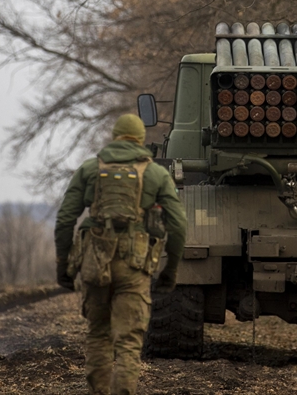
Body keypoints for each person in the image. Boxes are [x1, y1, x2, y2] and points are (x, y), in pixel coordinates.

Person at [55, 114, 186, 395]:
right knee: (128, 341)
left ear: (115, 137)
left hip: (94, 261)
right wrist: (170, 270)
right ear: (140, 140)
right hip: (134, 264)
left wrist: (63, 267)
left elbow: (65, 220)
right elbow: (177, 224)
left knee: (98, 334)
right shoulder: (155, 173)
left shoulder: (90, 169)